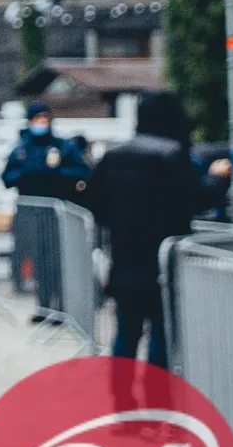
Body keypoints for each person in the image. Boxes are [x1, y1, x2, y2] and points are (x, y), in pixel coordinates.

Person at [86, 92, 215, 368]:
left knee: (126, 332)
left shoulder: (113, 156)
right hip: (162, 259)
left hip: (124, 258)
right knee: (162, 333)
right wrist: (219, 180)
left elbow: (95, 203)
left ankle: (122, 398)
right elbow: (196, 198)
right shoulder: (173, 155)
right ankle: (156, 396)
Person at [1, 103, 89, 325]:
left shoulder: (63, 147)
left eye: (45, 118)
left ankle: (60, 308)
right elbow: (6, 178)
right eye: (37, 118)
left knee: (56, 261)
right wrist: (27, 173)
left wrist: (56, 173)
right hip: (30, 214)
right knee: (38, 262)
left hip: (57, 213)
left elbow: (81, 172)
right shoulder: (21, 149)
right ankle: (43, 306)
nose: (42, 122)